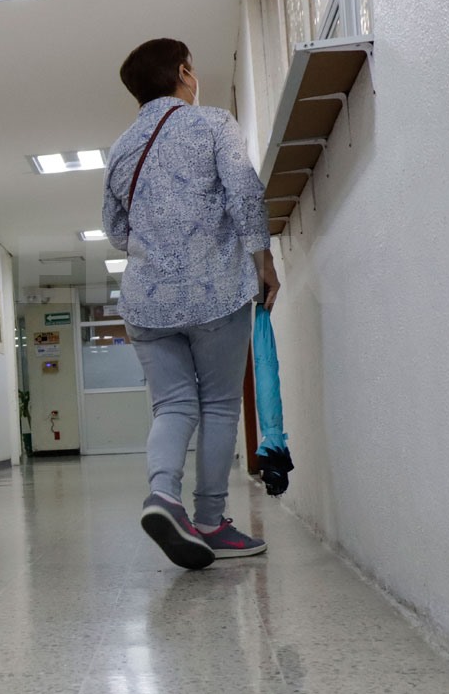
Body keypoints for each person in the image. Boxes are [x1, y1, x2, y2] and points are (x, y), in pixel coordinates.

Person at [103, 38, 281, 570]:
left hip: (146, 302)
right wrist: (263, 257)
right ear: (184, 73)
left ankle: (163, 496)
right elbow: (243, 191)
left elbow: (115, 231)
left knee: (173, 405)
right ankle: (209, 522)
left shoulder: (121, 147)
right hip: (215, 292)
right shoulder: (213, 123)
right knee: (220, 405)